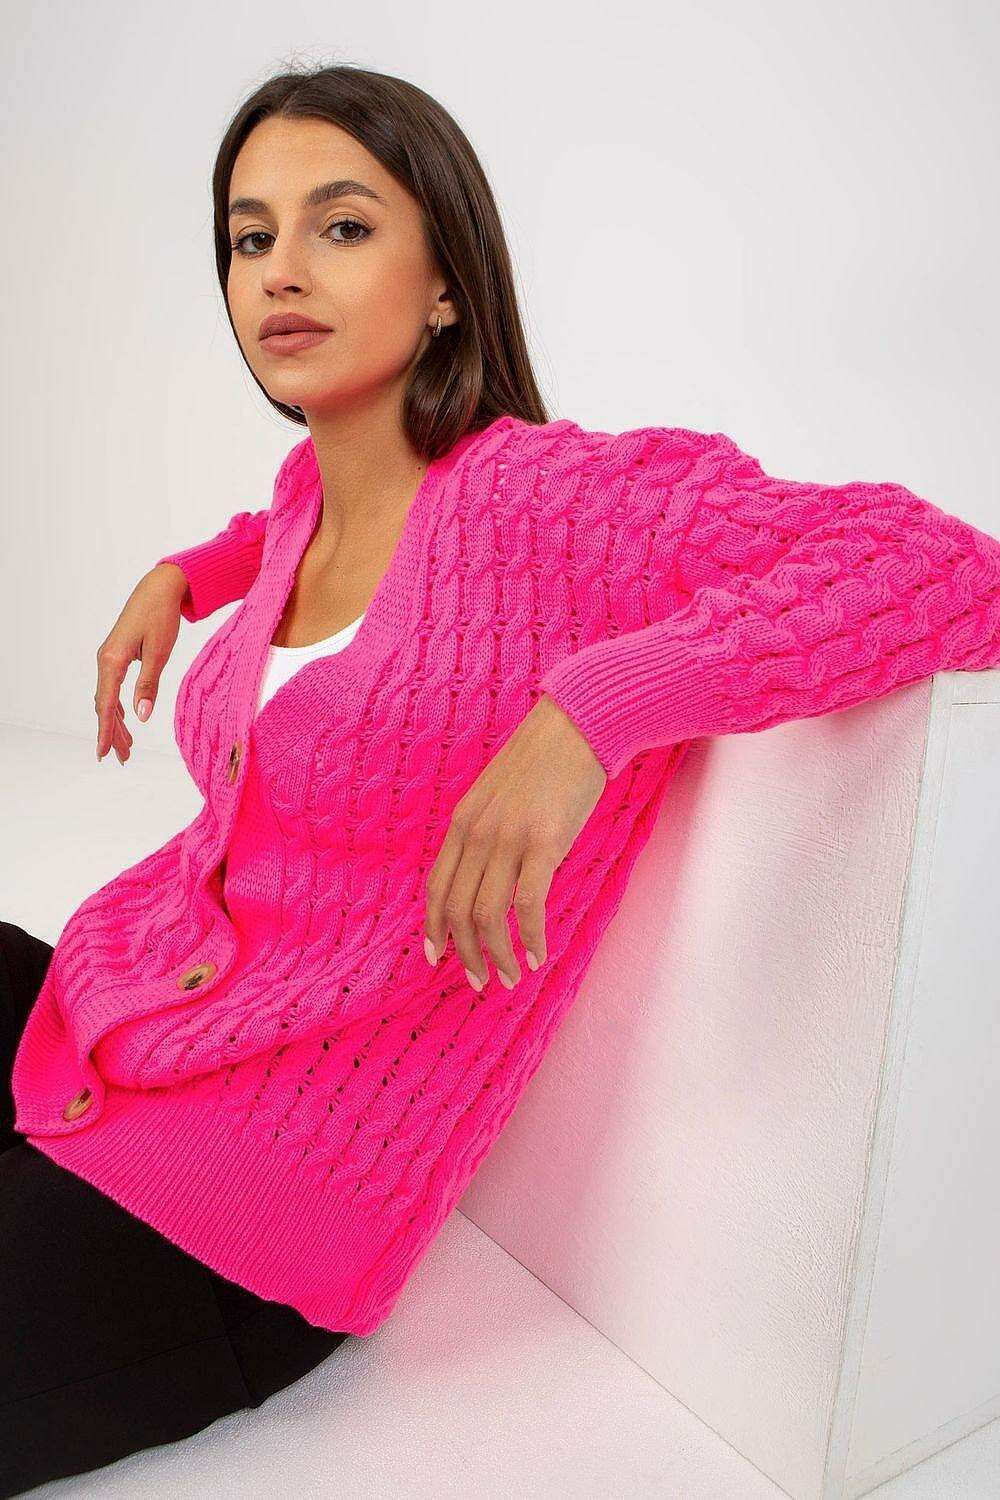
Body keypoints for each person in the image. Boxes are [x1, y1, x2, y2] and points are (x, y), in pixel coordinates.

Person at [6, 60, 1000, 1495]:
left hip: (243, 1202)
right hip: (126, 1004)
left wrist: (593, 712)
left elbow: (944, 565)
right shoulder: (311, 496)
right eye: (250, 235)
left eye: (343, 227)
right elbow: (281, 525)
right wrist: (188, 571)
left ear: (445, 285)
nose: (281, 269)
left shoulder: (557, 501)